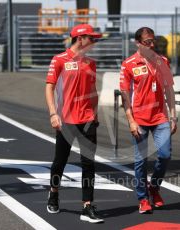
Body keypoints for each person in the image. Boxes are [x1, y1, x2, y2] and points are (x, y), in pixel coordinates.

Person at [45, 23, 104, 223]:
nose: (94, 42)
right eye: (92, 38)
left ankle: (87, 206)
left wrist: (95, 115)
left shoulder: (90, 63)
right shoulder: (59, 60)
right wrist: (53, 113)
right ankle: (53, 193)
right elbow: (49, 88)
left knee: (88, 164)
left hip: (87, 119)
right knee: (59, 162)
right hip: (65, 119)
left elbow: (93, 91)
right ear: (80, 38)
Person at [120, 27, 177, 214]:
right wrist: (131, 121)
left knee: (165, 155)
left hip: (160, 116)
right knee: (140, 161)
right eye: (147, 42)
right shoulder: (128, 64)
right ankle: (143, 198)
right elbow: (125, 94)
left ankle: (154, 187)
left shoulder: (163, 61)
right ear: (138, 43)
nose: (152, 45)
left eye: (153, 41)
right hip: (140, 118)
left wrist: (173, 115)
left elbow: (169, 89)